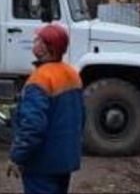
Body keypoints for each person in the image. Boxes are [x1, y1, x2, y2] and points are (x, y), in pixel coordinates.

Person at [7, 24, 85, 194]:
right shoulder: (72, 74)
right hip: (65, 159)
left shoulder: (40, 79)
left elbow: (32, 126)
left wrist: (17, 156)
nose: (34, 42)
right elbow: (81, 117)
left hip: (42, 163)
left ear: (45, 48)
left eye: (38, 40)